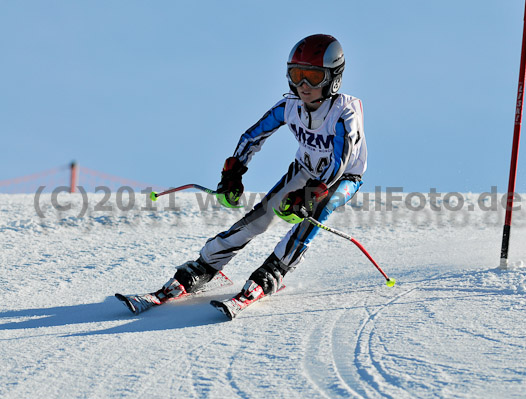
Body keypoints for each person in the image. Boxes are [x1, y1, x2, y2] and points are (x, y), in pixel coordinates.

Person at [140, 34, 367, 315]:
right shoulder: (290, 106)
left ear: (333, 78)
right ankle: (205, 265)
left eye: (312, 76)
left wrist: (311, 194)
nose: (303, 85)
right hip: (305, 169)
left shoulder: (346, 111)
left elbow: (340, 162)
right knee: (261, 216)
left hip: (341, 179)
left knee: (314, 213)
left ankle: (272, 271)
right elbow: (253, 136)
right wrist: (234, 171)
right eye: (296, 75)